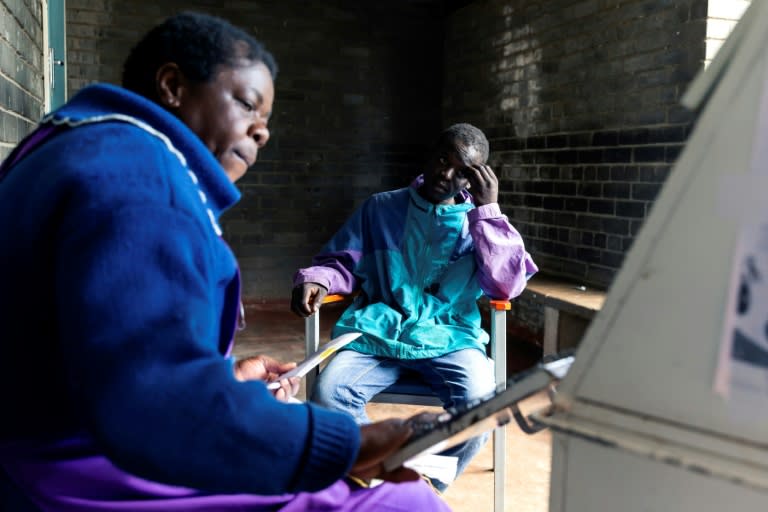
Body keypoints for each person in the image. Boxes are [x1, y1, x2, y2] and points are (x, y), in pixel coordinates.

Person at [0, 11, 450, 512]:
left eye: (266, 123)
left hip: (60, 443)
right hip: (68, 473)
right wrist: (351, 443)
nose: (262, 133)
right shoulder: (142, 180)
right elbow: (151, 409)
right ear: (172, 85)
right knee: (405, 503)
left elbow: (104, 359)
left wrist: (222, 379)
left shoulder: (80, 145)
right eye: (247, 105)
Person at [291, 123, 538, 490]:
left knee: (481, 409)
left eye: (462, 170)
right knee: (329, 394)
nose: (446, 173)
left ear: (473, 180)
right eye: (443, 159)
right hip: (378, 331)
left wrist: (489, 211)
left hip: (451, 336)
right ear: (430, 154)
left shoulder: (482, 224)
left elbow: (506, 285)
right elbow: (341, 261)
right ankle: (375, 477)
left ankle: (418, 487)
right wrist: (318, 279)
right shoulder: (381, 208)